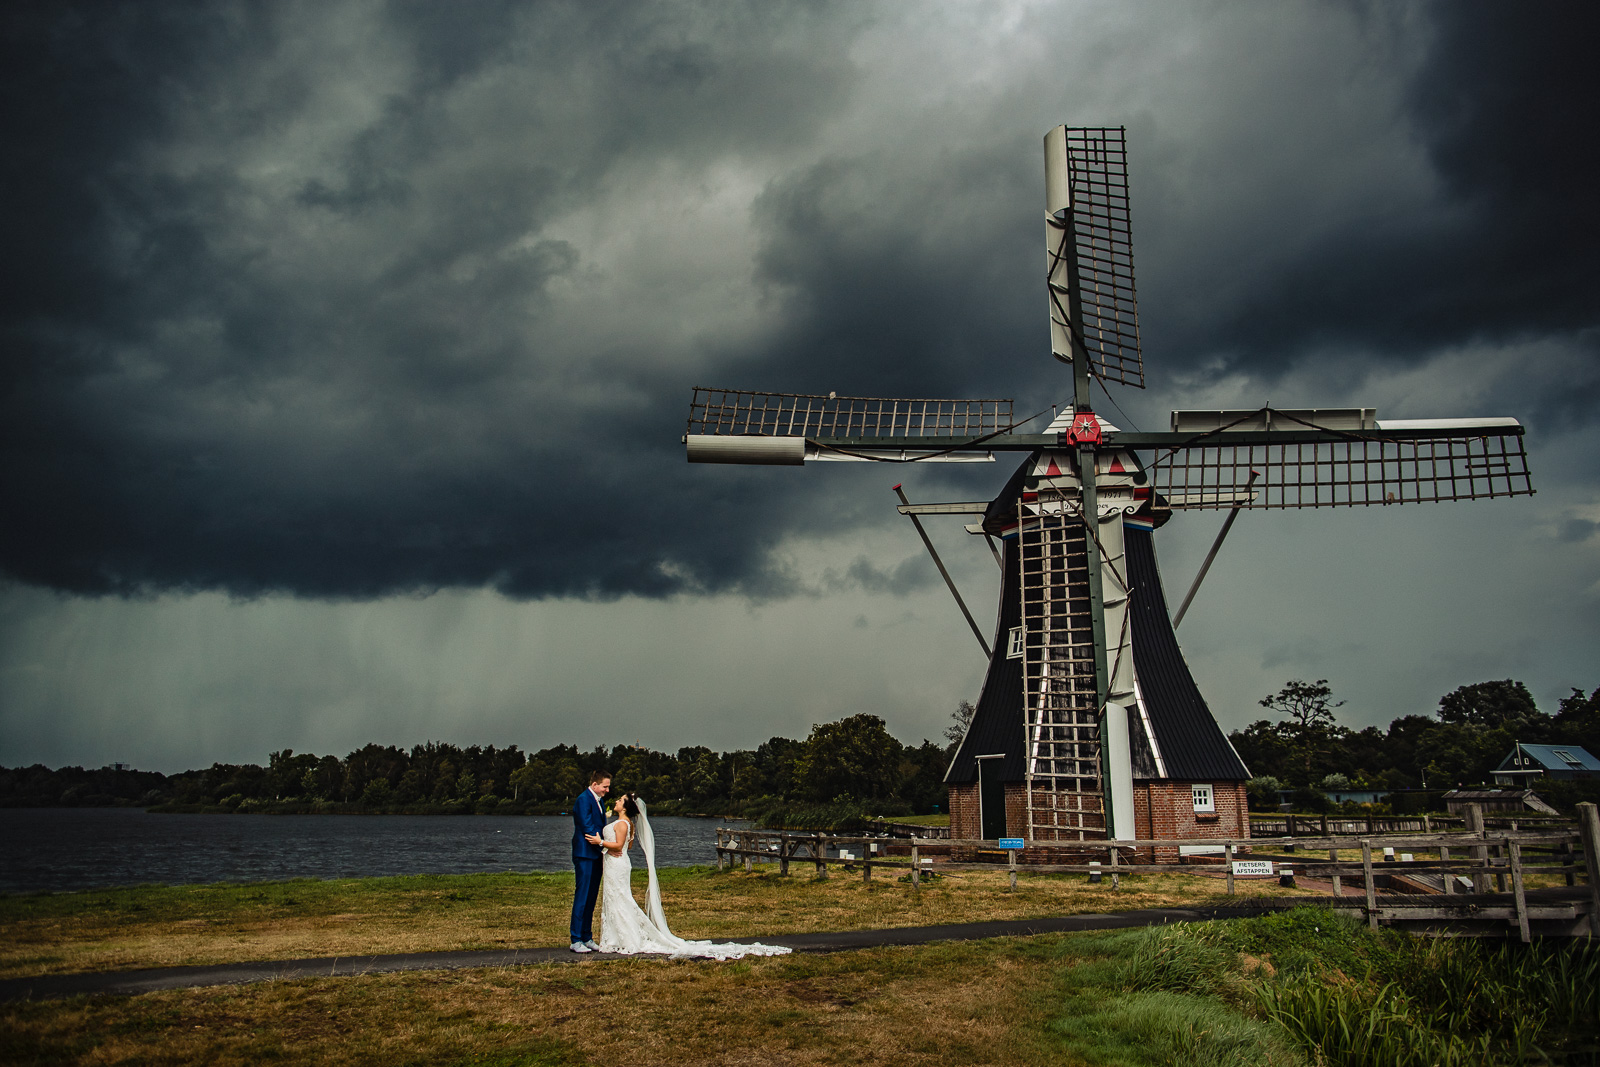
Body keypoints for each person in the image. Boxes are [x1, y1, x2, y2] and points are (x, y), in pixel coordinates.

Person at [585, 793, 790, 959]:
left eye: (620, 800)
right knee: (618, 899)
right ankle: (619, 936)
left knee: (619, 899)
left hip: (616, 863)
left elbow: (620, 846)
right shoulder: (627, 824)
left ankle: (624, 938)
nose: (617, 801)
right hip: (617, 863)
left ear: (625, 807)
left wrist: (600, 842)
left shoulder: (622, 824)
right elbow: (628, 845)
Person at [569, 770, 610, 952]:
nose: (607, 790)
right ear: (595, 785)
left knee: (592, 897)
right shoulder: (583, 800)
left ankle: (587, 936)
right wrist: (605, 843)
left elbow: (599, 825)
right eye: (605, 786)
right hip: (585, 854)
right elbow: (587, 826)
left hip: (596, 855)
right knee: (582, 896)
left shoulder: (599, 800)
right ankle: (576, 939)